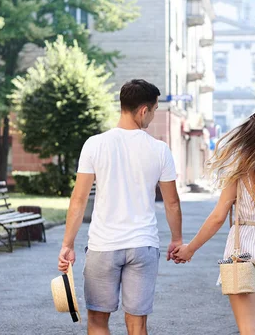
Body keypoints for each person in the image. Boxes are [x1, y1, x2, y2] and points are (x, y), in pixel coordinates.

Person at [58, 79, 184, 335]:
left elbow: (79, 199)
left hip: (103, 245)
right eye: (154, 110)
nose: (153, 116)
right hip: (142, 244)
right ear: (143, 110)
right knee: (137, 323)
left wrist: (67, 244)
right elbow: (172, 202)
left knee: (97, 320)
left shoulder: (94, 144)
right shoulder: (160, 150)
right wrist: (177, 239)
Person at [173, 111, 255, 335]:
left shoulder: (241, 171)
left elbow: (218, 217)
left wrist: (190, 249)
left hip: (244, 247)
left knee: (249, 328)